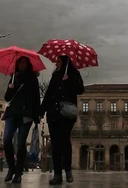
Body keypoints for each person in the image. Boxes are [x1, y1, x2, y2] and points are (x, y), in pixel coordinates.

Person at [40, 55, 85, 185]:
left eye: (58, 61)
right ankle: (57, 174)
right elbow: (49, 94)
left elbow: (80, 90)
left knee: (65, 142)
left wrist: (69, 81)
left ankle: (68, 171)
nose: (56, 63)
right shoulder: (55, 75)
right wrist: (41, 111)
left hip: (66, 113)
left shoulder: (74, 74)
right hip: (53, 114)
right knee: (55, 145)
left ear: (65, 62)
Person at [2, 56, 41, 183]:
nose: (22, 65)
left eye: (24, 63)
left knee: (21, 143)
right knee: (7, 140)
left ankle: (18, 172)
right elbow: (7, 98)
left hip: (26, 115)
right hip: (12, 113)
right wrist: (10, 88)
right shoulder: (13, 77)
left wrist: (37, 115)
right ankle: (11, 168)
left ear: (28, 65)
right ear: (17, 64)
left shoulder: (33, 79)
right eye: (20, 63)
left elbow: (36, 97)